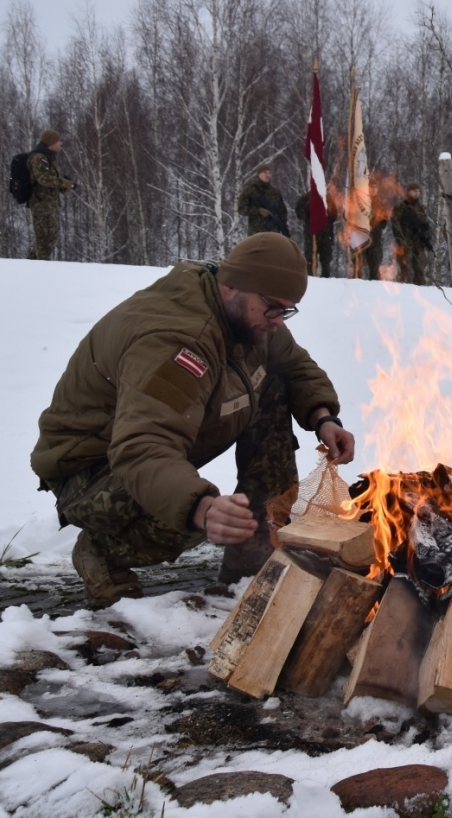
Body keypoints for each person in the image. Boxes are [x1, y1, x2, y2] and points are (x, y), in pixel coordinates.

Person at [30, 233, 355, 606]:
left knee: (275, 385)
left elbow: (296, 366)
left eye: (287, 310)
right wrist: (202, 507)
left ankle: (253, 557)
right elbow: (142, 448)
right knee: (186, 514)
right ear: (232, 286)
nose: (279, 321)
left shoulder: (247, 315)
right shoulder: (175, 342)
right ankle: (103, 551)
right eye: (273, 308)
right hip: (91, 470)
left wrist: (323, 418)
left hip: (152, 445)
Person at [26, 129, 75, 261]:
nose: (61, 143)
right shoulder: (39, 158)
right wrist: (64, 183)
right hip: (41, 204)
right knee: (44, 240)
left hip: (49, 204)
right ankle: (41, 268)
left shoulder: (48, 157)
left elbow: (51, 181)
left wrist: (65, 186)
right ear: (51, 142)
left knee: (50, 237)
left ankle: (30, 263)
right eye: (58, 141)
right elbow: (44, 179)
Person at [391, 181, 433, 285]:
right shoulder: (401, 206)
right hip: (406, 242)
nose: (417, 193)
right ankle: (402, 289)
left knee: (419, 269)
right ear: (409, 192)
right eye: (414, 191)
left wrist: (427, 235)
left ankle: (421, 290)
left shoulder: (421, 208)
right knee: (405, 269)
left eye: (418, 191)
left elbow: (425, 224)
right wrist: (400, 239)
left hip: (418, 243)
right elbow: (395, 223)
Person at [238, 164, 289, 237]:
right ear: (258, 174)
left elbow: (283, 211)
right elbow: (241, 209)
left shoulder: (275, 192)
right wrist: (258, 211)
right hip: (256, 233)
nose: (268, 175)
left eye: (269, 173)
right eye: (265, 172)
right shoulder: (250, 191)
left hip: (273, 234)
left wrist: (282, 223)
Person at [295, 190, 334, 278]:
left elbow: (334, 215)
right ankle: (311, 279)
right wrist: (308, 207)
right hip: (311, 236)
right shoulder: (306, 198)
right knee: (310, 259)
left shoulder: (328, 198)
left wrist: (326, 210)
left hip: (326, 235)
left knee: (326, 260)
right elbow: (299, 213)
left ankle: (326, 279)